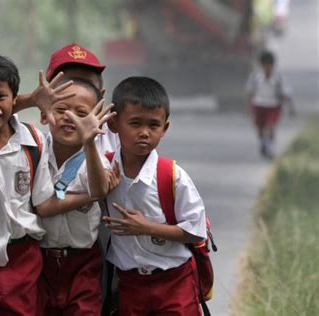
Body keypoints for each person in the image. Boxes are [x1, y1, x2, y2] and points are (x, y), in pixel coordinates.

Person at [0, 51, 106, 316]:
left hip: (23, 258)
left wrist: (91, 193)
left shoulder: (34, 140)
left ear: (13, 99)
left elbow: (44, 202)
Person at [102, 76, 207, 315]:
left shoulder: (172, 176)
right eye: (135, 123)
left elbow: (196, 230)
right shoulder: (103, 170)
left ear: (165, 128)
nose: (144, 133)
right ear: (114, 123)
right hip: (130, 285)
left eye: (153, 125)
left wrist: (146, 227)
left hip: (174, 282)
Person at [37, 77, 118, 315]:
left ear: (95, 121)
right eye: (61, 109)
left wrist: (89, 142)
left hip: (82, 262)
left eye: (81, 113)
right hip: (39, 262)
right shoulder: (35, 150)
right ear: (45, 115)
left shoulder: (94, 159)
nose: (70, 117)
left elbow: (98, 189)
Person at [14, 42, 120, 154]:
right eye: (67, 84)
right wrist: (31, 100)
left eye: (86, 85)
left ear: (101, 95)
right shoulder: (34, 146)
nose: (76, 92)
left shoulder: (118, 134)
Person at [246, 50, 295, 159]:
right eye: (265, 65)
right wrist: (249, 108)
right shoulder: (255, 77)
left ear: (273, 65)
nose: (267, 68)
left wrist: (290, 107)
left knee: (269, 127)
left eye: (270, 65)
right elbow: (250, 93)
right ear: (261, 65)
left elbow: (287, 93)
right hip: (258, 105)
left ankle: (270, 148)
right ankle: (264, 143)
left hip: (273, 106)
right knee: (260, 130)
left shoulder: (279, 78)